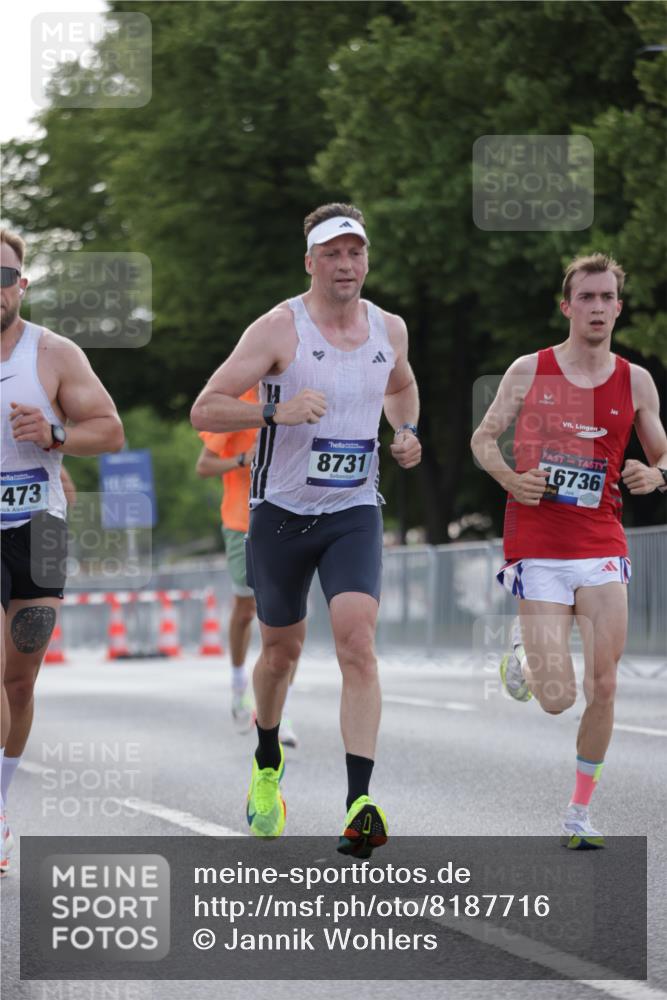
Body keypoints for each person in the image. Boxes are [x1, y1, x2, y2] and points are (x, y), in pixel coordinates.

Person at [191, 203, 421, 856]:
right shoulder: (277, 329)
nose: (345, 265)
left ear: (366, 260)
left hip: (352, 510)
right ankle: (267, 760)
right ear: (310, 262)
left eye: (355, 253)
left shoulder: (389, 328)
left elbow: (401, 387)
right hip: (280, 516)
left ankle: (359, 804)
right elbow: (203, 406)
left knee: (357, 642)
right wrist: (277, 409)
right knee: (281, 654)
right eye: (332, 254)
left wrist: (404, 432)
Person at [471, 252, 667, 850]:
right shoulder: (530, 370)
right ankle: (525, 659)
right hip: (538, 543)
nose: (600, 308)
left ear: (619, 307)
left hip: (600, 541)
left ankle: (579, 815)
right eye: (588, 297)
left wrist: (655, 476)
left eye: (609, 297)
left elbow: (662, 457)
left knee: (603, 685)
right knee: (557, 699)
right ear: (567, 306)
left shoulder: (634, 380)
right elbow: (483, 440)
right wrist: (509, 478)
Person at [1, 228, 124, 875]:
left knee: (17, 684)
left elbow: (108, 429)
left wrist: (53, 433)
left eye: (4, 276)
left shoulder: (53, 354)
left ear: (22, 284)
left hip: (40, 532)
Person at [195, 386, 300, 746]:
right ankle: (240, 682)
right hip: (244, 521)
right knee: (246, 609)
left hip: (293, 517)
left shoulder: (302, 392)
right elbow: (204, 465)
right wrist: (243, 460)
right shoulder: (239, 402)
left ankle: (277, 711)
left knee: (290, 620)